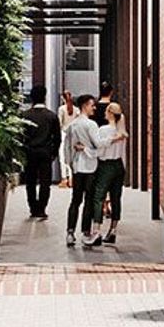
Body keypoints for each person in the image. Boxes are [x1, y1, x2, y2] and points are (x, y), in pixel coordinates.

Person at [60, 95, 101, 247]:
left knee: (75, 200)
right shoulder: (91, 125)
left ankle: (70, 232)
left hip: (77, 167)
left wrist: (70, 164)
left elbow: (67, 148)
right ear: (85, 106)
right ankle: (86, 232)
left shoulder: (73, 125)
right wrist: (89, 150)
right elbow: (99, 146)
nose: (94, 108)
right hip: (90, 166)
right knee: (89, 200)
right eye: (92, 105)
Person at [85, 102, 128, 247]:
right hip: (119, 166)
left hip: (105, 166)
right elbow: (123, 154)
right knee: (116, 199)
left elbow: (100, 150)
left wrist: (84, 149)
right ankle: (113, 231)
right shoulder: (122, 131)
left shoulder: (104, 130)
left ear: (109, 113)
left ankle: (96, 232)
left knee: (98, 197)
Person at [21, 86, 62, 221]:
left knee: (30, 181)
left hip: (30, 152)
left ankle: (33, 208)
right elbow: (57, 138)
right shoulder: (51, 116)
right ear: (44, 96)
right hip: (45, 152)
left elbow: (20, 137)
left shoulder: (25, 115)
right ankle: (42, 209)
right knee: (45, 182)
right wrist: (53, 153)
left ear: (31, 98)